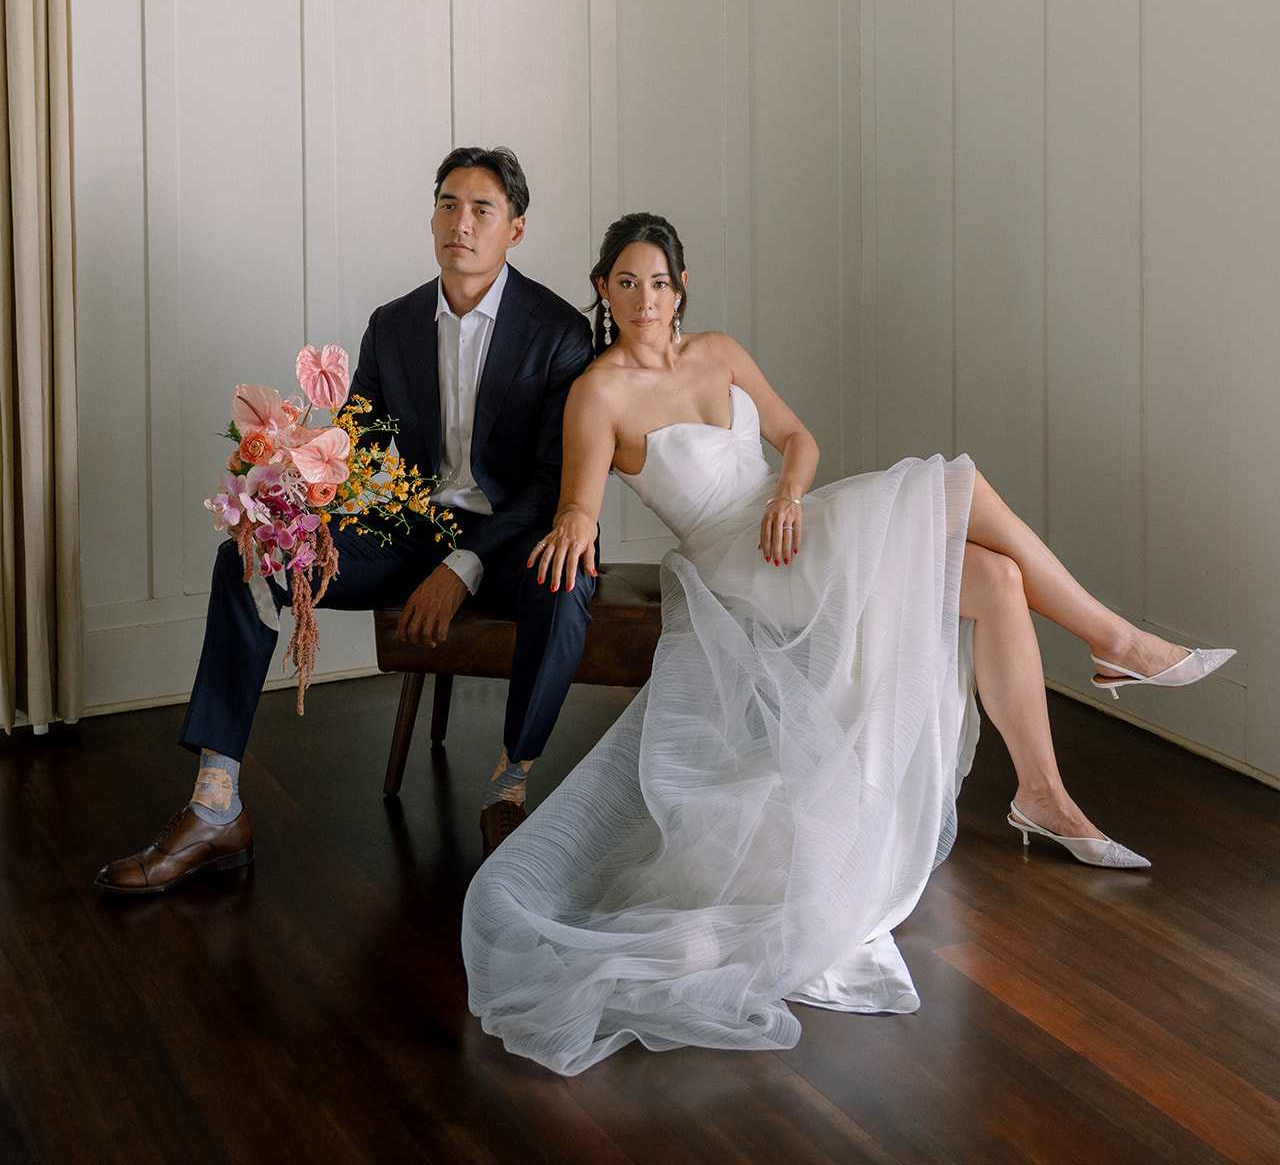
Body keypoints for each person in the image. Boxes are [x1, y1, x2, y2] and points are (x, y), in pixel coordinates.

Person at [461, 211, 1235, 1076]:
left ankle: (1042, 793)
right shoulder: (598, 393)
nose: (648, 299)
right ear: (603, 289)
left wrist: (790, 494)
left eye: (662, 282)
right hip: (738, 560)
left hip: (794, 526)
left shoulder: (718, 350)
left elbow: (800, 439)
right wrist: (568, 527)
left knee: (1000, 582)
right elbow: (580, 503)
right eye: (628, 283)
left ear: (684, 289)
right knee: (958, 485)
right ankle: (1115, 638)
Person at [95, 146, 596, 895]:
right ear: (432, 215)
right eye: (448, 203)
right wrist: (287, 484)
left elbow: (550, 485)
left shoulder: (558, 331)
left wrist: (460, 571)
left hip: (516, 535)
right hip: (413, 525)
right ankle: (215, 802)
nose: (461, 222)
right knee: (252, 556)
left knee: (566, 584)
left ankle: (509, 790)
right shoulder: (391, 326)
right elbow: (355, 449)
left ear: (515, 230)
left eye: (482, 209)